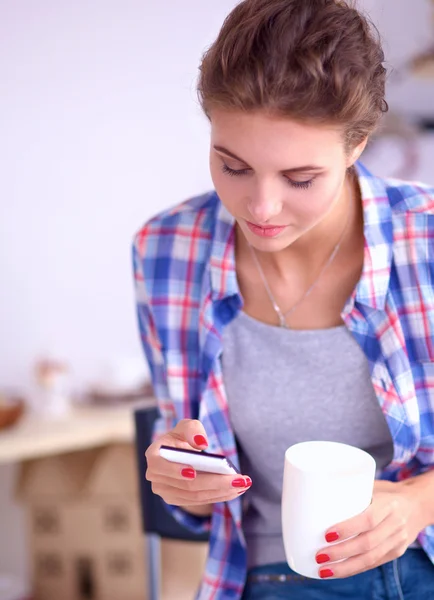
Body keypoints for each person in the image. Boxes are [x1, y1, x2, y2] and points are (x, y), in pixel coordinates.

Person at [132, 1, 434, 598]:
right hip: (271, 578)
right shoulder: (166, 250)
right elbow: (190, 462)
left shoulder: (425, 239)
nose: (261, 209)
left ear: (357, 145)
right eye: (233, 166)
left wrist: (421, 501)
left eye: (300, 178)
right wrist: (178, 474)